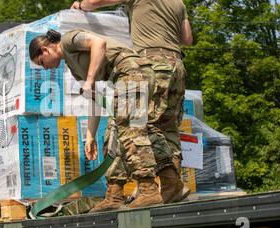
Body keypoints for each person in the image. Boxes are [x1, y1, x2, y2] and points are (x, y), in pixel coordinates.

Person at [70, 0, 192, 204]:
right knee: (167, 127)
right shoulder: (177, 1)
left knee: (137, 125)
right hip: (177, 66)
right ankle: (171, 186)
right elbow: (187, 39)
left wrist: (80, 7)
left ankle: (145, 190)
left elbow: (96, 0)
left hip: (150, 64)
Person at [29, 29, 180, 212]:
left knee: (130, 132)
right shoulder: (73, 66)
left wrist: (90, 79)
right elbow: (95, 99)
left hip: (131, 72)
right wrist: (90, 135)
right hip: (129, 77)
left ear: (45, 49)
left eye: (41, 63)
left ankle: (149, 189)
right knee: (119, 131)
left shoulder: (69, 40)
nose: (45, 68)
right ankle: (131, 190)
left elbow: (98, 43)